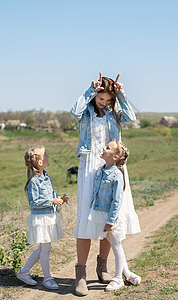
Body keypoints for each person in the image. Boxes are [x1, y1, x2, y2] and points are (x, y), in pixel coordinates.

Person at [70, 73, 141, 296]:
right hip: (90, 164)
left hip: (114, 167)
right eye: (102, 98)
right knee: (86, 217)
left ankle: (103, 267)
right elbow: (74, 110)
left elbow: (131, 117)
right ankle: (80, 274)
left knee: (111, 215)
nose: (105, 103)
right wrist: (90, 91)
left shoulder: (115, 112)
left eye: (109, 100)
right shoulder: (86, 112)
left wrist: (121, 94)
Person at [84, 140, 141, 291]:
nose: (104, 148)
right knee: (115, 243)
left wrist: (111, 221)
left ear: (115, 157)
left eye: (108, 148)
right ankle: (127, 273)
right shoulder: (100, 170)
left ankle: (118, 279)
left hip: (110, 216)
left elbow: (117, 201)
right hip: (100, 213)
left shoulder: (116, 175)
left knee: (116, 245)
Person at [16, 146, 69, 290]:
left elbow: (48, 194)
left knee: (44, 248)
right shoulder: (34, 181)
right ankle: (47, 279)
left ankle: (24, 272)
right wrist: (51, 201)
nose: (48, 157)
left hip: (49, 216)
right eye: (45, 155)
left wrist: (58, 197)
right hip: (41, 219)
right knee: (45, 248)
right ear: (39, 162)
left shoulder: (45, 176)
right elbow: (33, 202)